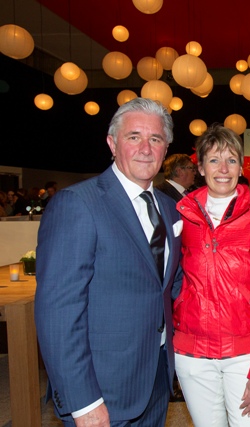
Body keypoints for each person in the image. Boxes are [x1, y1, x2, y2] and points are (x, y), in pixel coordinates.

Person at [35, 98, 183, 426]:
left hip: (156, 381)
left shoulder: (170, 209)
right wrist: (83, 401)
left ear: (165, 149)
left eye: (155, 139)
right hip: (102, 391)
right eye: (134, 137)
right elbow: (58, 312)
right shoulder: (77, 204)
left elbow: (171, 287)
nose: (145, 148)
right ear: (112, 144)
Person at [172, 124, 250, 426]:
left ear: (240, 167)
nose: (223, 169)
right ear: (200, 167)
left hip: (245, 356)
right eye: (214, 160)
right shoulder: (181, 216)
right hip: (193, 356)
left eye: (231, 160)